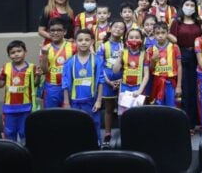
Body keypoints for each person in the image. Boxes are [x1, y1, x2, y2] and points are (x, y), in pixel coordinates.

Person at [0, 40, 39, 142]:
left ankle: (24, 153)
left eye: (19, 51)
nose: (16, 54)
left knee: (25, 132)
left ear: (25, 51)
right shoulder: (6, 67)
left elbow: (35, 84)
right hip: (9, 109)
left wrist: (38, 76)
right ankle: (12, 153)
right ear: (9, 55)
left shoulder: (32, 67)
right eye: (12, 53)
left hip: (26, 108)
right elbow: (0, 84)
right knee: (9, 133)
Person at [62, 29, 104, 141]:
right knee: (77, 127)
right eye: (80, 40)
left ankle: (96, 147)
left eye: (87, 40)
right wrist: (66, 102)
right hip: (74, 101)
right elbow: (65, 83)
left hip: (92, 101)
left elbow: (100, 81)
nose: (83, 42)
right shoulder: (69, 62)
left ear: (92, 42)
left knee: (94, 125)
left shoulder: (97, 60)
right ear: (75, 42)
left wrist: (99, 100)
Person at [169, 0, 202, 133]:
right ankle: (186, 125)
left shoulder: (198, 21)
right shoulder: (177, 21)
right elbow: (169, 36)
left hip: (197, 56)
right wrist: (177, 41)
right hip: (182, 57)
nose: (189, 7)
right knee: (185, 91)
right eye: (186, 4)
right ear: (182, 6)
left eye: (191, 4)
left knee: (196, 91)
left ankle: (195, 123)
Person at [97, 18, 126, 146]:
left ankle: (123, 132)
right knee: (109, 108)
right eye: (115, 26)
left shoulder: (125, 45)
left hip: (122, 81)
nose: (118, 29)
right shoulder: (103, 46)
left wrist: (122, 79)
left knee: (122, 108)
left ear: (124, 31)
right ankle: (108, 134)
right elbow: (99, 66)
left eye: (121, 28)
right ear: (110, 28)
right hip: (107, 80)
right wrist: (108, 81)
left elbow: (128, 65)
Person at [40, 18, 77, 108]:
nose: (55, 33)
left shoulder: (73, 47)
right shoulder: (45, 48)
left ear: (64, 32)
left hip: (70, 87)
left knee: (70, 115)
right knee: (52, 116)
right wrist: (44, 55)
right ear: (49, 32)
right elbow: (44, 71)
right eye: (52, 30)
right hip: (52, 87)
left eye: (59, 30)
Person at [113, 28, 150, 113]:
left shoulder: (145, 54)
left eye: (137, 37)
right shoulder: (123, 52)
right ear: (127, 39)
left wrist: (140, 90)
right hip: (124, 88)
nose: (134, 39)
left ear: (141, 39)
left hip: (138, 87)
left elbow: (146, 75)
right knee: (124, 114)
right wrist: (119, 56)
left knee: (138, 114)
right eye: (131, 37)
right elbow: (115, 71)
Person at [147, 23, 181, 107]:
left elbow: (180, 67)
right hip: (157, 82)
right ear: (154, 34)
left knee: (172, 107)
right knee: (158, 108)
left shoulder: (175, 47)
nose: (160, 35)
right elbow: (150, 69)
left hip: (171, 82)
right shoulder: (151, 49)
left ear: (167, 33)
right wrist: (153, 60)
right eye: (157, 33)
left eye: (163, 33)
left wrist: (179, 86)